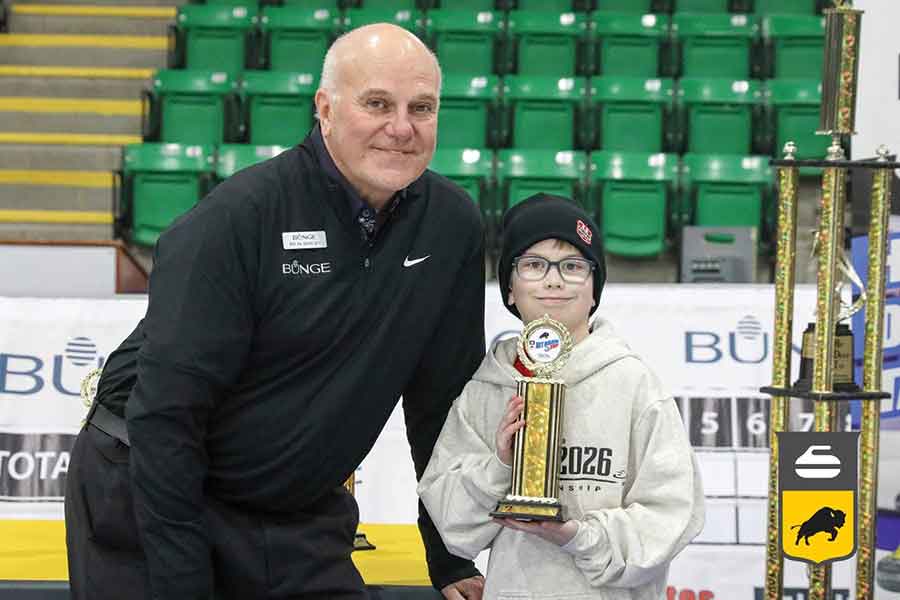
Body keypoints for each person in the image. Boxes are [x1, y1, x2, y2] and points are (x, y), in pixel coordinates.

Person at [65, 23, 487, 600]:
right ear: (326, 109)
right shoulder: (236, 220)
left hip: (294, 509)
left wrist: (451, 557)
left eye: (423, 108)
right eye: (377, 104)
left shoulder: (451, 225)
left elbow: (442, 405)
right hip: (149, 491)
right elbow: (166, 419)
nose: (401, 128)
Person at [418, 194, 705, 600]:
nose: (553, 280)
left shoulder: (634, 384)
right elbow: (452, 524)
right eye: (534, 265)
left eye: (572, 266)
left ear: (594, 289)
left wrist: (576, 536)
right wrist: (500, 464)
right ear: (511, 289)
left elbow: (673, 515)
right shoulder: (486, 390)